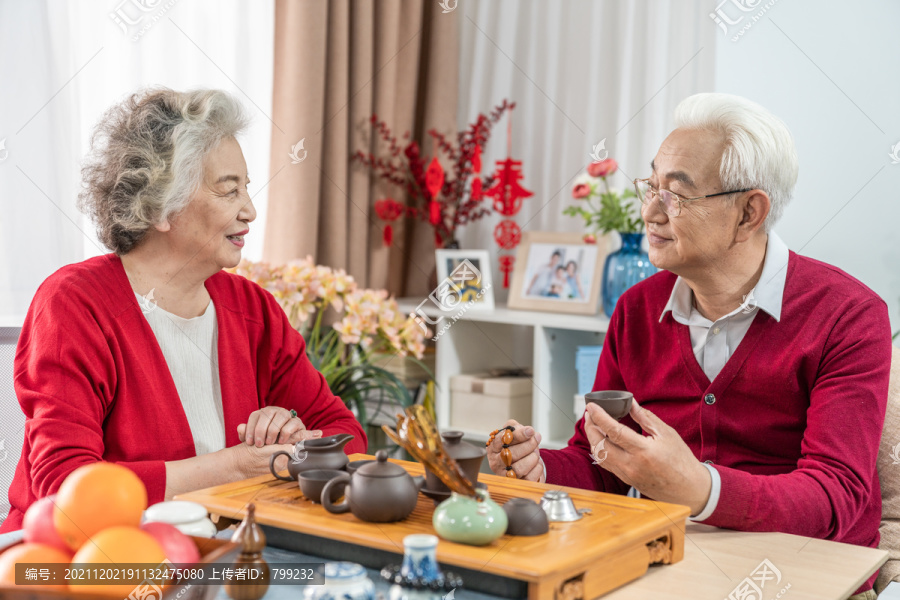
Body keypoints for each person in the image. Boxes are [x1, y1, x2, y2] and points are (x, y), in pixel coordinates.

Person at [487, 93, 891, 598]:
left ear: (749, 213)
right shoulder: (637, 309)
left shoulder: (848, 315)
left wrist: (699, 489)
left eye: (676, 194)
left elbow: (835, 495)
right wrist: (540, 468)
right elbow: (601, 461)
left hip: (802, 573)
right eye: (650, 186)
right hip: (659, 562)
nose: (651, 212)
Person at [0, 88, 367, 532]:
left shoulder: (254, 310)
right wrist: (236, 467)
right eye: (229, 191)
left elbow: (346, 434)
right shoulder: (74, 305)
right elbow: (67, 489)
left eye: (246, 189)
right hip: (86, 564)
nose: (250, 211)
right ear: (160, 206)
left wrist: (291, 435)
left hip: (216, 560)